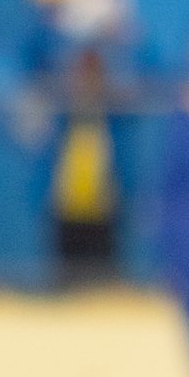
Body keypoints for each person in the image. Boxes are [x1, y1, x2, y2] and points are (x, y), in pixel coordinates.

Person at [45, 47, 125, 286]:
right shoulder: (62, 114)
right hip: (67, 204)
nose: (86, 81)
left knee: (100, 277)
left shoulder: (115, 115)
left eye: (92, 74)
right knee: (66, 277)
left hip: (101, 205)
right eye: (81, 74)